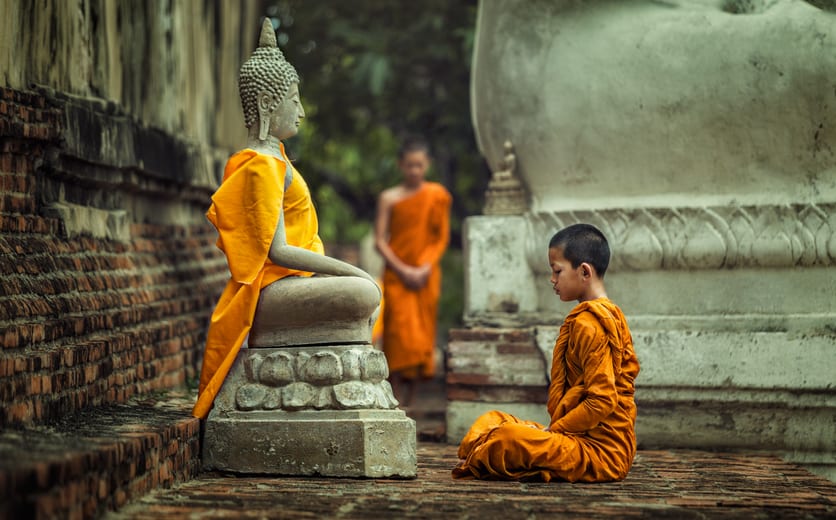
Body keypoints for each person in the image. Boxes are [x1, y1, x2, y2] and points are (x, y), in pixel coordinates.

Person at [192, 19, 379, 420]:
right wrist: (354, 273)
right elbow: (276, 251)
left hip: (291, 286)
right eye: (294, 100)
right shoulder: (260, 165)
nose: (302, 111)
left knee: (366, 294)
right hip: (272, 288)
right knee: (363, 293)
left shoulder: (274, 160)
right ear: (265, 105)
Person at [452, 223, 640, 482]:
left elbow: (602, 401)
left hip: (601, 453)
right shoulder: (599, 316)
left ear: (584, 271)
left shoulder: (592, 323)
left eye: (557, 271)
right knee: (491, 420)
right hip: (572, 437)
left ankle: (491, 451)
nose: (552, 280)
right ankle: (491, 448)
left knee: (506, 439)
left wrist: (555, 430)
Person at [374, 138, 452, 407]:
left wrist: (424, 267)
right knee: (397, 335)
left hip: (425, 274)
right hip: (397, 274)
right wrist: (404, 269)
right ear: (400, 165)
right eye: (409, 165)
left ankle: (412, 401)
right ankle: (393, 395)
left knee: (421, 337)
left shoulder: (437, 195)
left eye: (419, 165)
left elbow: (440, 237)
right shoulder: (389, 197)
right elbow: (379, 241)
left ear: (427, 165)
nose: (415, 171)